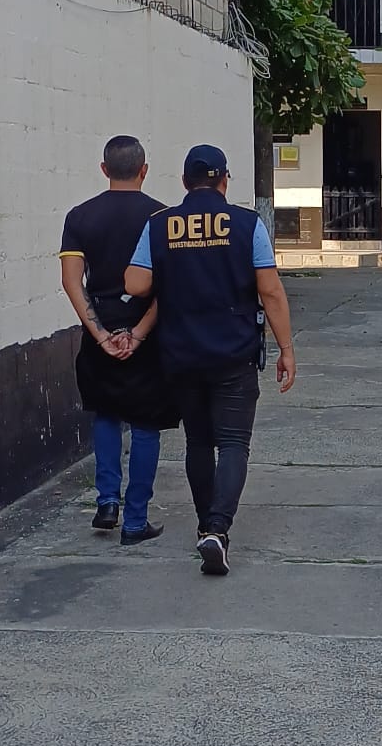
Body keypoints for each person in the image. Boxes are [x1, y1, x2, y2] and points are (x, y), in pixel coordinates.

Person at [125, 144, 296, 577]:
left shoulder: (158, 224)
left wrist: (174, 269)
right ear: (224, 181)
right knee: (235, 443)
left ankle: (207, 526)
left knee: (199, 443)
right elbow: (270, 290)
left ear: (184, 182)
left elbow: (136, 282)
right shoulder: (246, 223)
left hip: (181, 354)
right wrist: (286, 349)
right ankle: (218, 530)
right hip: (233, 354)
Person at [59, 135, 179, 546]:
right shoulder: (163, 217)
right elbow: (169, 287)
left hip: (101, 331)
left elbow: (72, 282)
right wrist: (140, 333)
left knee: (106, 415)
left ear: (104, 169)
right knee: (145, 425)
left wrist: (101, 334)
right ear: (144, 170)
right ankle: (135, 520)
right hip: (148, 332)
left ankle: (107, 501)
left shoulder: (80, 217)